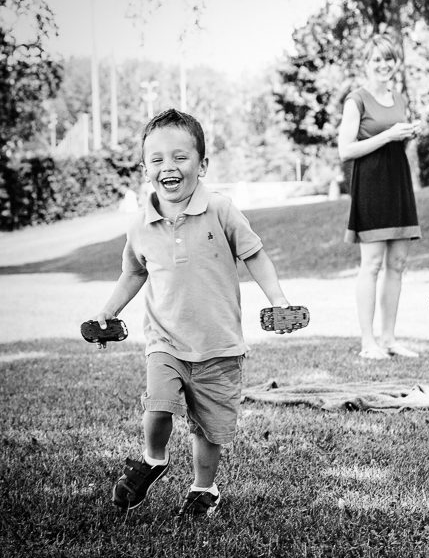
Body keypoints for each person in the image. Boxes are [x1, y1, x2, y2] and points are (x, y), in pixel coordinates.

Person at [91, 108, 295, 516]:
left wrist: (278, 299)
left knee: (209, 429)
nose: (169, 166)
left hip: (219, 345)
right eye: (157, 159)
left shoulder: (221, 209)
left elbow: (255, 255)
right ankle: (153, 459)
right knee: (158, 404)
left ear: (202, 165)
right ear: (146, 168)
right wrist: (107, 311)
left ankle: (204, 489)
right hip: (165, 340)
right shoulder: (140, 225)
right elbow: (133, 273)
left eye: (180, 157)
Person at [338, 34, 421, 360]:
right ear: (367, 64)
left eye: (389, 59)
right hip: (371, 185)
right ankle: (367, 343)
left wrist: (411, 135)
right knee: (371, 264)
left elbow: (402, 146)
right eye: (377, 60)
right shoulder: (355, 100)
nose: (383, 65)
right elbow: (346, 150)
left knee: (397, 264)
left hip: (398, 183)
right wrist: (388, 135)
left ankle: (388, 339)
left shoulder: (400, 99)